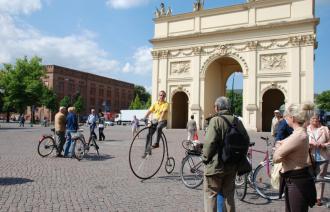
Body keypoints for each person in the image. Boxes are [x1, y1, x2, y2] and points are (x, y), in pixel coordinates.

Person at [202, 96, 249, 212]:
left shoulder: (215, 120)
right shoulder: (237, 121)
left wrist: (205, 158)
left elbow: (209, 143)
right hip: (232, 165)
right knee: (229, 196)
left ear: (217, 107)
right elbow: (246, 140)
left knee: (211, 195)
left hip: (216, 166)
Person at [273, 103, 316, 212]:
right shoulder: (298, 133)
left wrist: (279, 147)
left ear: (292, 118)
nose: (285, 118)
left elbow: (276, 157)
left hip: (297, 181)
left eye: (286, 116)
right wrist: (281, 147)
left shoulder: (298, 135)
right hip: (294, 180)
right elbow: (283, 144)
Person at [307, 112, 330, 206]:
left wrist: (323, 145)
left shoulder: (324, 129)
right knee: (310, 177)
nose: (315, 120)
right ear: (310, 119)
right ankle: (310, 196)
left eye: (316, 118)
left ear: (319, 119)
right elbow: (302, 141)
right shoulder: (306, 129)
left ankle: (318, 198)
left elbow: (329, 142)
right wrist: (309, 145)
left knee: (320, 178)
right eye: (313, 118)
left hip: (323, 157)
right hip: (310, 157)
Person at [142, 90, 169, 158]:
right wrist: (145, 117)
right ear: (158, 96)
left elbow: (163, 113)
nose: (162, 96)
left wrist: (160, 119)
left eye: (163, 95)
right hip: (155, 121)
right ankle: (147, 151)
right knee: (149, 135)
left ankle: (157, 143)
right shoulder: (155, 104)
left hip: (163, 121)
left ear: (165, 97)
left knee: (159, 127)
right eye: (160, 95)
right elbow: (150, 111)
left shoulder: (166, 104)